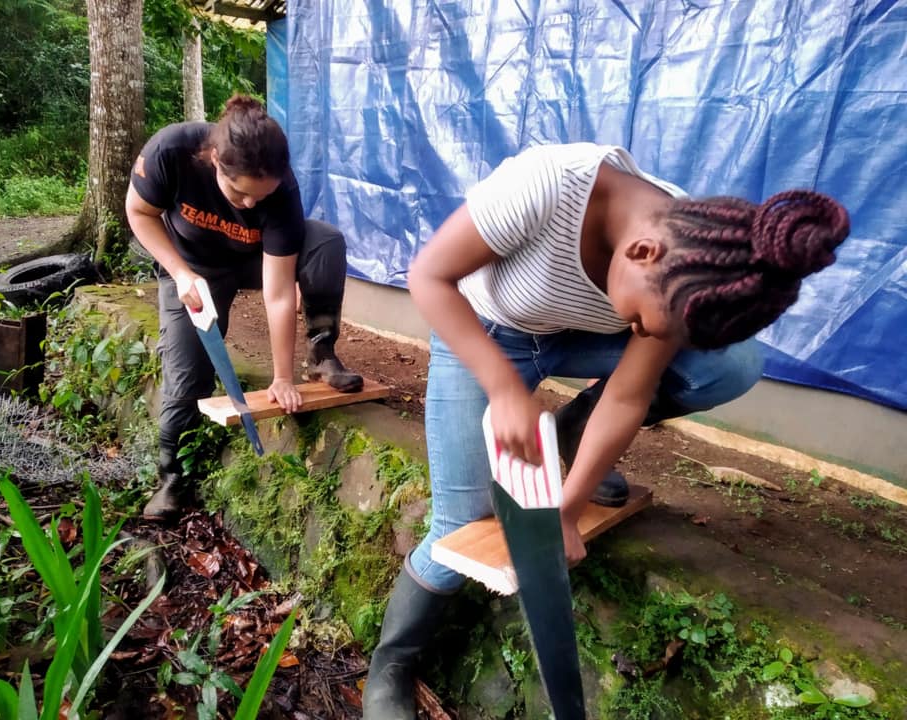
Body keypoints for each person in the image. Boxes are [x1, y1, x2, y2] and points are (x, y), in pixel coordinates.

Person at [361, 142, 849, 718]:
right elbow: (428, 276)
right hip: (490, 331)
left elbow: (627, 392)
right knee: (462, 520)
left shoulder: (678, 266)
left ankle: (573, 428)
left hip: (575, 338)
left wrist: (565, 511)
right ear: (643, 251)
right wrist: (503, 389)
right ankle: (391, 664)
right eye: (642, 320)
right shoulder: (547, 184)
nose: (640, 329)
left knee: (734, 362)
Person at [126, 94, 363, 521]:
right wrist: (179, 272)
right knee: (186, 379)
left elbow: (277, 293)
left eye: (260, 196)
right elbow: (139, 212)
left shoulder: (282, 190)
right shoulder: (171, 151)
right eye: (239, 192)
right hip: (193, 266)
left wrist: (282, 377)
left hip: (252, 260)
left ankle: (322, 354)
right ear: (214, 159)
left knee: (326, 243)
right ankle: (172, 477)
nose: (250, 204)